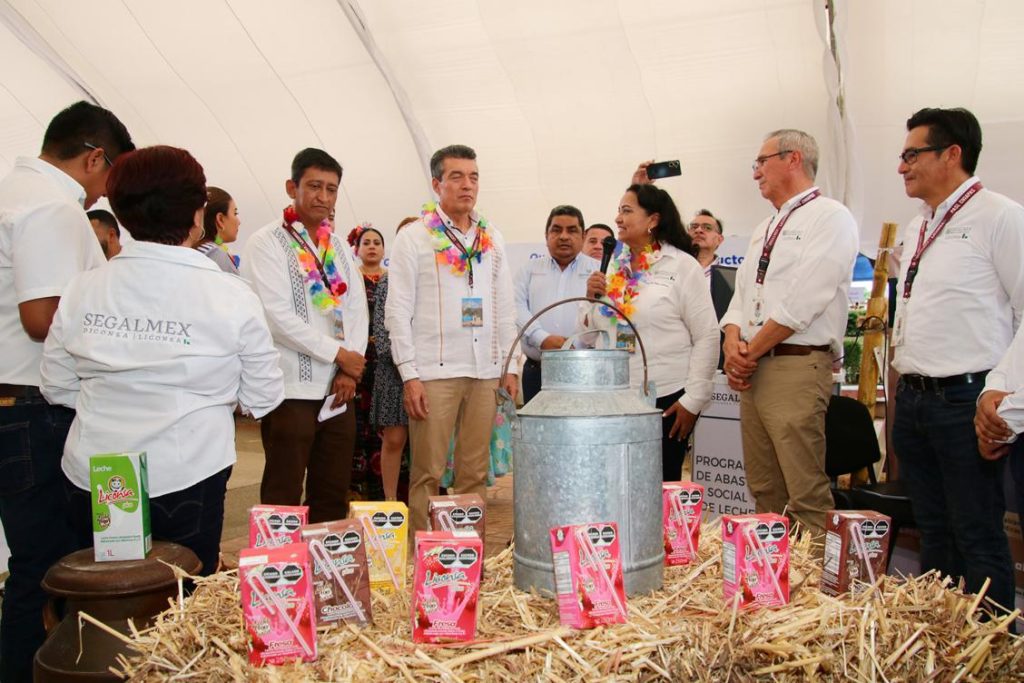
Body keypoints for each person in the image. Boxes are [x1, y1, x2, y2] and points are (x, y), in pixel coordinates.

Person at [41, 144, 284, 578]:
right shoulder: (230, 295)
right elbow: (263, 396)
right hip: (187, 473)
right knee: (182, 600)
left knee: (105, 598)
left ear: (121, 211)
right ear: (197, 214)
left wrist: (118, 402)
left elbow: (57, 385)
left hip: (95, 473)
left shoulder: (83, 288)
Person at [0, 100, 133, 683]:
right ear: (95, 158)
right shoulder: (51, 206)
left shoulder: (13, 190)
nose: (108, 193)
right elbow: (42, 317)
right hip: (36, 407)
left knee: (33, 564)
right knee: (48, 568)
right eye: (112, 175)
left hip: (17, 403)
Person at [891, 107, 1022, 617]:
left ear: (952, 154)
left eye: (912, 154)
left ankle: (991, 648)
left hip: (966, 399)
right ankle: (939, 640)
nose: (901, 166)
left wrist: (1007, 393)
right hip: (914, 400)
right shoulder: (917, 225)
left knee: (976, 533)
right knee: (934, 532)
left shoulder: (1000, 216)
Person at [720, 129, 858, 548]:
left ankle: (811, 581)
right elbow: (742, 295)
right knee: (764, 486)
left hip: (796, 364)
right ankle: (771, 573)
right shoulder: (764, 227)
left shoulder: (831, 217)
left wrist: (748, 352)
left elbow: (805, 299)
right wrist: (731, 342)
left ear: (793, 159)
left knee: (804, 491)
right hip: (755, 368)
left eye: (761, 162)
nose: (756, 173)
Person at [386, 144, 519, 534]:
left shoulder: (491, 237)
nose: (467, 185)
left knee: (474, 472)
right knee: (427, 472)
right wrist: (410, 375)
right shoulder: (414, 237)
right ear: (436, 184)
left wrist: (511, 365)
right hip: (433, 372)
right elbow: (397, 310)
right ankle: (424, 555)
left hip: (485, 372)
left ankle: (467, 552)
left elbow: (505, 307)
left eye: (473, 177)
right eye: (457, 177)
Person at [241, 148, 368, 523]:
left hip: (339, 390)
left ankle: (325, 559)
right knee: (283, 493)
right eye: (314, 186)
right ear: (291, 187)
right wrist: (339, 355)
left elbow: (356, 309)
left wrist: (348, 369)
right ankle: (278, 560)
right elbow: (274, 316)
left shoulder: (338, 246)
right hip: (290, 388)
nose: (323, 197)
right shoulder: (265, 242)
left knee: (332, 490)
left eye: (331, 189)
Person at [584, 184, 719, 481]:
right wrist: (591, 301)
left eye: (627, 211)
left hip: (666, 398)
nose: (618, 218)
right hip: (615, 396)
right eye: (619, 210)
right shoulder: (613, 266)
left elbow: (707, 335)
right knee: (615, 483)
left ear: (653, 220)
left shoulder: (682, 265)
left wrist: (693, 400)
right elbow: (593, 332)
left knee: (659, 485)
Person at [515, 205, 599, 403]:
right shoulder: (528, 270)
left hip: (585, 371)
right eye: (556, 230)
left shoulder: (599, 272)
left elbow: (606, 317)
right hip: (538, 372)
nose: (564, 236)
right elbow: (516, 308)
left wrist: (576, 346)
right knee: (537, 424)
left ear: (583, 236)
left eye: (572, 230)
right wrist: (542, 339)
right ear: (546, 236)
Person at [370, 216, 417, 500]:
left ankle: (426, 500)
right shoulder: (387, 282)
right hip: (394, 372)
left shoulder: (434, 279)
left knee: (426, 443)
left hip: (429, 372)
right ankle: (390, 501)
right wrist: (403, 360)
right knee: (395, 438)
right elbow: (381, 331)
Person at [347, 223, 387, 499]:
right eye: (366, 243)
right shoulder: (350, 280)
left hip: (386, 362)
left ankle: (385, 495)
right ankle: (354, 492)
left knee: (384, 426)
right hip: (357, 362)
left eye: (377, 242)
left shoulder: (393, 279)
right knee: (357, 427)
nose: (372, 247)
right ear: (357, 249)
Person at [196, 186, 241, 274]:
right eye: (235, 213)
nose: (239, 222)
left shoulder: (191, 251)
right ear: (220, 219)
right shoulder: (216, 255)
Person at [688, 209, 725, 281]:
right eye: (694, 227)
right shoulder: (674, 267)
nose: (698, 230)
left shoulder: (728, 275)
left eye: (707, 228)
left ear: (719, 239)